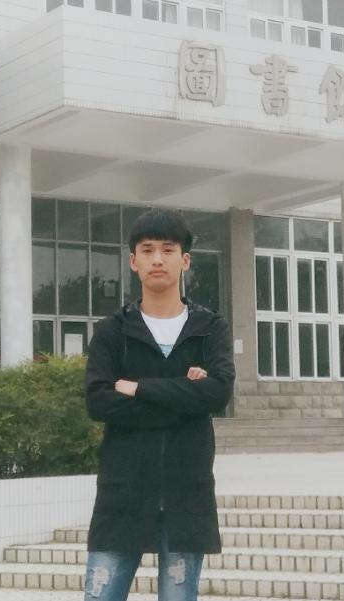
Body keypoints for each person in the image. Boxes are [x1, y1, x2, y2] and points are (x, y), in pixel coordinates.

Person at [83, 209, 235, 601]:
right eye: (147, 250)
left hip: (187, 494)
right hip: (123, 493)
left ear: (185, 260)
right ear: (133, 261)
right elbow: (99, 401)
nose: (157, 259)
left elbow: (218, 393)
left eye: (168, 250)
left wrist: (138, 388)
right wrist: (186, 398)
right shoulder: (113, 331)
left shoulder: (209, 328)